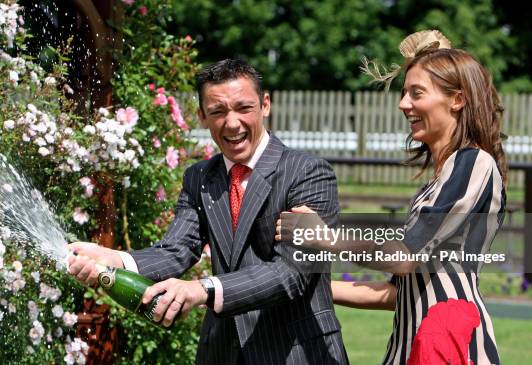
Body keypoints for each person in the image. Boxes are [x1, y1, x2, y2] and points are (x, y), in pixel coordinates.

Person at [67, 59, 349, 364]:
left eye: (244, 108)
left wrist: (203, 290)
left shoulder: (308, 173)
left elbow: (290, 274)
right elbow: (177, 250)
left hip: (296, 354)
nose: (231, 123)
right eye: (217, 112)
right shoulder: (198, 177)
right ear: (202, 116)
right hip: (221, 354)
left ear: (265, 104)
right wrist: (115, 259)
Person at [277, 30, 506, 365]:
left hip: (449, 344)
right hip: (413, 344)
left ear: (457, 99)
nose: (403, 104)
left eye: (416, 93)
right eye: (404, 94)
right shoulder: (442, 179)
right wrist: (296, 284)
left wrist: (320, 237)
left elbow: (401, 258)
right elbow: (397, 292)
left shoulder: (473, 163)